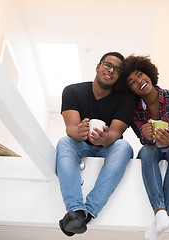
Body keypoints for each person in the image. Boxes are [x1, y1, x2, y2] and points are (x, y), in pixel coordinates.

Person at [56, 52, 135, 236]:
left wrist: (104, 139)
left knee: (124, 147)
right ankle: (76, 210)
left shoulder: (126, 99)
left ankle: (87, 213)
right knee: (64, 142)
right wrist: (80, 131)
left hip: (107, 147)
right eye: (107, 65)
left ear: (119, 77)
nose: (110, 70)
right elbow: (71, 129)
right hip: (80, 144)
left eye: (117, 70)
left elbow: (116, 133)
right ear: (98, 66)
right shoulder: (72, 91)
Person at [121, 55, 169, 240]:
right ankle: (161, 214)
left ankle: (160, 216)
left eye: (140, 75)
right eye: (131, 82)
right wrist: (147, 137)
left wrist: (168, 140)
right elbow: (143, 139)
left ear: (149, 73)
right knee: (145, 151)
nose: (138, 81)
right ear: (130, 89)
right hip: (154, 152)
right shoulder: (135, 111)